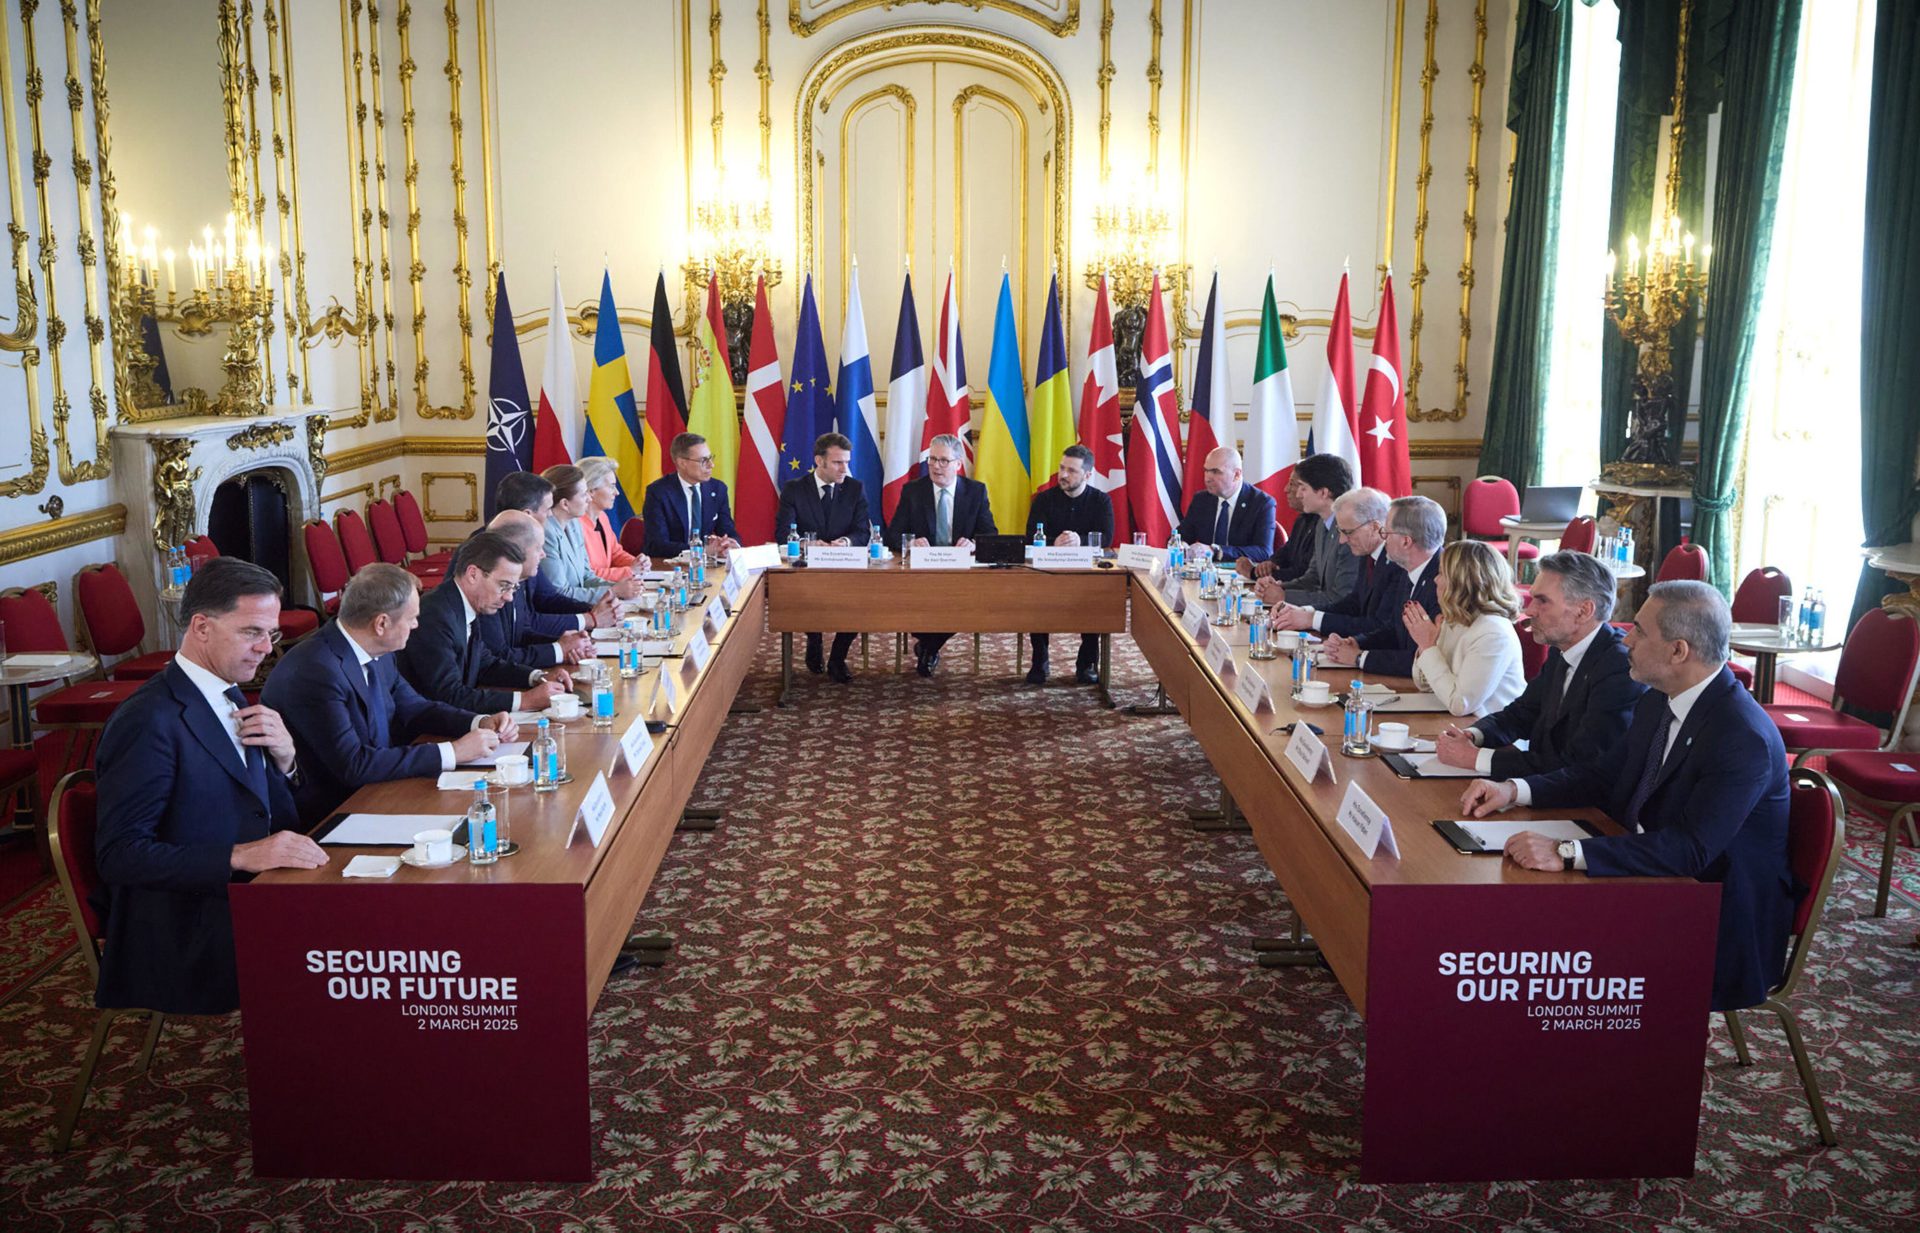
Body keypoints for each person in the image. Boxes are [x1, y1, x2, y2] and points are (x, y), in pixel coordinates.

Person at [1459, 581, 1795, 1012]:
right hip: (1646, 869)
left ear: (1678, 651)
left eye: (1638, 630)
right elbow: (1602, 775)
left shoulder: (1740, 735)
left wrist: (1566, 851)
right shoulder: (1659, 699)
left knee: (1529, 933)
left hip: (1710, 911)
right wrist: (1514, 790)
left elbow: (1690, 849)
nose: (1625, 639)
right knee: (1505, 907)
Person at [92, 558, 326, 1016]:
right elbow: (119, 856)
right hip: (190, 923)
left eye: (271, 635)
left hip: (251, 893)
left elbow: (271, 814)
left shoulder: (230, 691)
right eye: (251, 632)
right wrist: (240, 855)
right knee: (362, 944)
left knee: (384, 917)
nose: (266, 649)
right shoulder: (148, 721)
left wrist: (287, 760)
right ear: (201, 626)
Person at [264, 564, 518, 824]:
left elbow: (416, 708)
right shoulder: (316, 671)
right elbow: (353, 765)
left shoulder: (375, 650)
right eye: (411, 619)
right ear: (381, 623)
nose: (417, 625)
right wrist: (453, 751)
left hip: (377, 789)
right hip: (333, 813)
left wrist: (479, 721)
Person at [1434, 550, 1645, 775]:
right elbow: (1521, 714)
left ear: (1583, 611)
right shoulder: (1561, 649)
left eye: (1542, 601)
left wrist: (1477, 758)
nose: (1529, 610)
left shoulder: (1620, 669)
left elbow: (1580, 762)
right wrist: (1474, 735)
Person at [395, 532, 573, 714]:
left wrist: (537, 677)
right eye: (504, 586)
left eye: (513, 587)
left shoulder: (466, 603)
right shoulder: (435, 615)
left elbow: (485, 664)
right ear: (473, 574)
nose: (509, 597)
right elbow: (448, 694)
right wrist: (525, 700)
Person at [887, 433, 998, 676]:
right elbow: (892, 534)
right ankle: (929, 646)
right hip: (922, 573)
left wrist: (973, 544)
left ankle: (928, 647)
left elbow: (990, 534)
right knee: (919, 604)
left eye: (944, 461)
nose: (936, 466)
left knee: (962, 606)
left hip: (961, 575)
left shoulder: (975, 492)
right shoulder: (913, 491)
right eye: (932, 459)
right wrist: (910, 543)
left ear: (958, 464)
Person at [774, 432, 872, 682]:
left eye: (847, 462)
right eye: (838, 462)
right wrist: (808, 544)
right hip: (808, 568)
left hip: (845, 567)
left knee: (862, 600)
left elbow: (862, 531)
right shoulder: (794, 489)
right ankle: (814, 637)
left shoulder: (854, 488)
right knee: (807, 596)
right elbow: (783, 534)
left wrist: (845, 542)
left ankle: (838, 658)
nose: (844, 468)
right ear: (820, 461)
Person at [1024, 444, 1115, 686]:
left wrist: (1079, 541)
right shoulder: (1044, 499)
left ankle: (1087, 662)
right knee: (1036, 597)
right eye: (1062, 468)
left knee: (1095, 599)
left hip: (1085, 573)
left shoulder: (1100, 500)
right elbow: (1030, 535)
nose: (1063, 475)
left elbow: (1106, 538)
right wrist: (1054, 541)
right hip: (1048, 572)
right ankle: (1039, 660)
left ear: (1087, 475)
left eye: (1071, 471)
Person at [1403, 539, 1526, 717]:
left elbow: (1460, 704)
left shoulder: (1493, 632)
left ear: (1461, 583)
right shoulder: (1455, 619)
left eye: (1441, 574)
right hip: (1461, 726)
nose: (1435, 580)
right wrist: (1425, 647)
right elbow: (1425, 684)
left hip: (1494, 739)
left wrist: (1429, 646)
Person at [495, 471, 619, 631]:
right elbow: (524, 623)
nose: (550, 514)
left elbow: (548, 597)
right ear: (527, 515)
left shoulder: (525, 542)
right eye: (547, 509)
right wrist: (590, 619)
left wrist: (594, 612)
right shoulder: (495, 552)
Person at [479, 511, 597, 670]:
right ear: (516, 550)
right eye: (538, 548)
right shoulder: (487, 591)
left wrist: (565, 644)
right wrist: (559, 650)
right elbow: (498, 656)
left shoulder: (518, 581)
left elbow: (522, 635)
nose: (543, 554)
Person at [1245, 453, 1359, 610]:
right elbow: (1312, 578)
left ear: (1324, 493)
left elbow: (1341, 598)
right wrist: (1278, 587)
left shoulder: (1350, 533)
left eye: (1303, 488)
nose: (1298, 494)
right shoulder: (1322, 523)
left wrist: (1284, 596)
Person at [542, 464, 646, 605]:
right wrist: (614, 592)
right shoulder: (546, 534)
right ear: (565, 504)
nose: (589, 499)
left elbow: (586, 576)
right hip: (564, 615)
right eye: (584, 494)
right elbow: (560, 593)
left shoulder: (573, 524)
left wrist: (621, 588)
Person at [641, 432, 741, 558]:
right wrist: (702, 551)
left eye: (711, 458)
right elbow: (657, 545)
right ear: (682, 463)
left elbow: (727, 529)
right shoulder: (658, 492)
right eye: (704, 460)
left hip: (707, 567)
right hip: (669, 567)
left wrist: (731, 544)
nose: (711, 465)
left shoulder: (718, 489)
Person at [1175, 446, 1277, 564]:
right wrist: (1181, 545)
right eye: (1206, 470)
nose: (1207, 478)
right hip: (1203, 574)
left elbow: (1263, 552)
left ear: (1237, 475)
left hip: (1240, 576)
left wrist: (1218, 551)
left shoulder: (1262, 503)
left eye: (1215, 471)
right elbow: (1180, 536)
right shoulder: (1201, 500)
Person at [577, 455, 651, 582]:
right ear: (591, 490)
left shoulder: (602, 517)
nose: (616, 492)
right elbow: (587, 576)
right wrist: (629, 571)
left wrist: (637, 562)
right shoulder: (575, 525)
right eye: (611, 486)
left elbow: (615, 554)